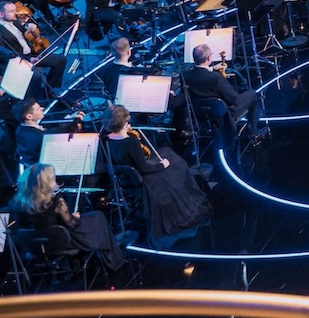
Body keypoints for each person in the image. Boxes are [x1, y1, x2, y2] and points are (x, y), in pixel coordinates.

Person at [103, 105, 213, 245]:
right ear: (124, 124)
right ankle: (185, 200)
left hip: (125, 175)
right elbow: (144, 167)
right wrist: (162, 165)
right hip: (143, 175)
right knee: (178, 166)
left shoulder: (106, 139)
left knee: (165, 150)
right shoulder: (130, 142)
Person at [10, 163, 126, 272]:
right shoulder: (55, 200)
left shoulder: (17, 203)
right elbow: (72, 224)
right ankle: (113, 260)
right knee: (98, 218)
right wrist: (74, 217)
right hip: (59, 242)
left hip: (33, 245)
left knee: (94, 218)